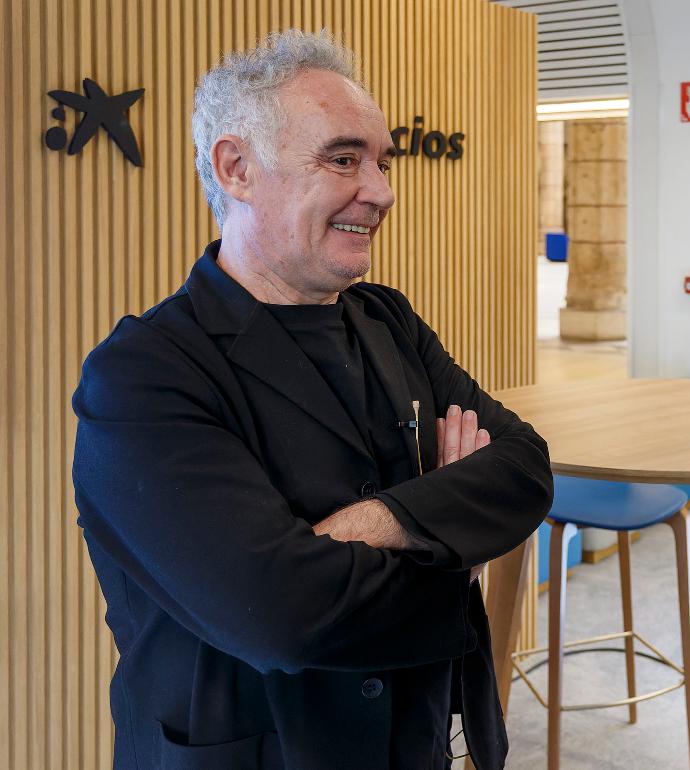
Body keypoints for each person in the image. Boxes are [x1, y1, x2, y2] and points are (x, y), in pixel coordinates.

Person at [71, 30, 552, 770]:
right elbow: (281, 612)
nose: (382, 190)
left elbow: (523, 468)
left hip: (410, 745)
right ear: (237, 168)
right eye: (343, 158)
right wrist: (452, 537)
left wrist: (378, 521)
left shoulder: (387, 321)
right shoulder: (144, 375)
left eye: (383, 161)